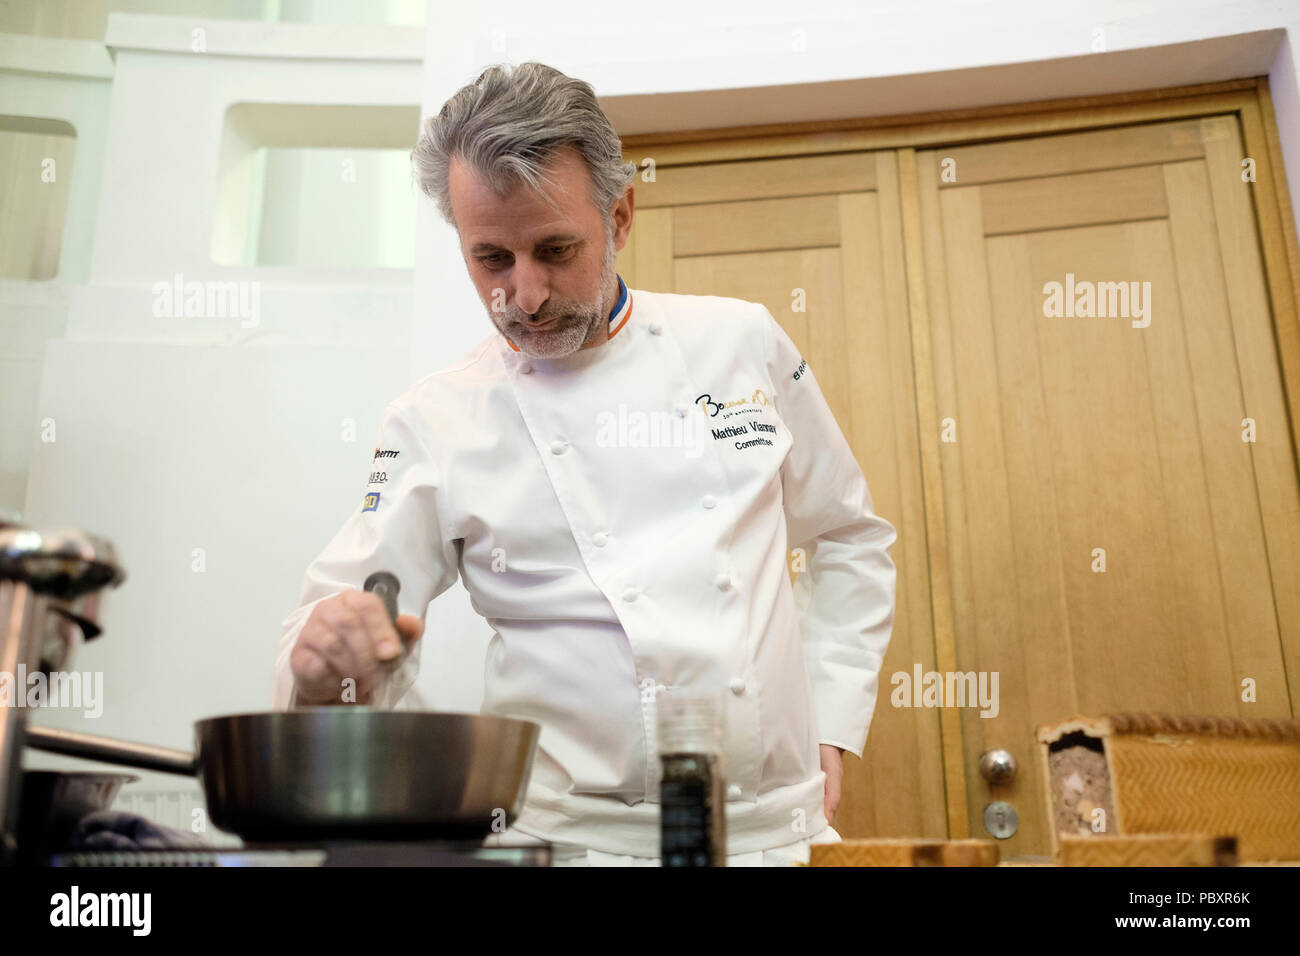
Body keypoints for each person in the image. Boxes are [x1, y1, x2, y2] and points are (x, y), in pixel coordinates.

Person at [272, 61, 897, 866]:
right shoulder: (435, 420)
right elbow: (341, 620)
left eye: (555, 248)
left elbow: (849, 536)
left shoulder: (741, 343)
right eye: (489, 259)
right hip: (566, 846)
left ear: (622, 215)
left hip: (774, 837)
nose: (524, 294)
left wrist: (834, 720)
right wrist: (328, 661)